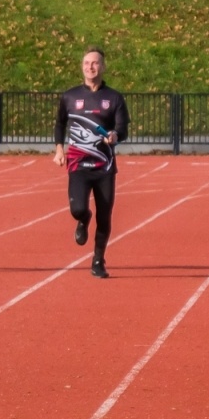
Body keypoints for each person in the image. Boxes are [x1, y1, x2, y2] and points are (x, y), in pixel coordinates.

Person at [53, 47, 129, 279]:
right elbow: (59, 124)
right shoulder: (70, 96)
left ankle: (98, 260)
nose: (90, 67)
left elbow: (122, 129)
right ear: (82, 66)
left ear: (103, 67)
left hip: (104, 167)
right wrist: (59, 149)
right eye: (87, 63)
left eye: (95, 63)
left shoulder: (114, 98)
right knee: (77, 208)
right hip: (77, 164)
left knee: (104, 216)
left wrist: (115, 136)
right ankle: (83, 219)